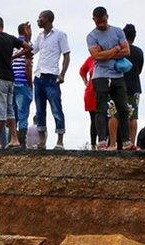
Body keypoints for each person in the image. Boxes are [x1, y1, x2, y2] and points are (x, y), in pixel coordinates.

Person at [86, 6, 130, 150]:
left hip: (117, 75)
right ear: (94, 20)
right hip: (100, 76)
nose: (101, 24)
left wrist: (106, 53)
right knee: (101, 109)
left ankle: (125, 140)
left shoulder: (118, 31)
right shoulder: (91, 36)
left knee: (123, 108)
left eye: (103, 21)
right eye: (98, 22)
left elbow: (127, 51)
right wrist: (116, 49)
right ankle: (102, 140)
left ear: (107, 17)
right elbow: (96, 56)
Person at [0, 16, 30, 149]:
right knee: (10, 109)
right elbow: (28, 48)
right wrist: (13, 57)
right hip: (11, 78)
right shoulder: (10, 38)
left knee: (0, 109)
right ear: (2, 25)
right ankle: (15, 139)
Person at [33, 10, 71, 150]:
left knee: (56, 109)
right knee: (40, 110)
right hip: (39, 76)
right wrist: (25, 37)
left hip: (51, 77)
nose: (38, 20)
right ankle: (42, 141)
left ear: (48, 19)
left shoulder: (60, 35)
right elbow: (32, 50)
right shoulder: (40, 36)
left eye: (40, 18)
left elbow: (66, 55)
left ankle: (60, 141)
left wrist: (62, 74)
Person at [122, 24, 144, 149]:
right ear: (134, 37)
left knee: (115, 114)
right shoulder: (139, 51)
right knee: (133, 115)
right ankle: (132, 143)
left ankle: (114, 142)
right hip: (134, 85)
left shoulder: (120, 49)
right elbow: (139, 70)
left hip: (119, 84)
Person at [12, 23, 33, 147]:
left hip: (13, 82)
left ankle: (13, 140)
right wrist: (30, 83)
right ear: (25, 30)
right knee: (23, 113)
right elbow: (28, 65)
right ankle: (22, 143)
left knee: (13, 114)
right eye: (29, 29)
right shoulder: (27, 45)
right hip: (23, 82)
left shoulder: (12, 45)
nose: (31, 32)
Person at [80, 56, 98, 149]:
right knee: (94, 120)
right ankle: (93, 144)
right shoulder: (91, 59)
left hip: (104, 92)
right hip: (91, 92)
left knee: (106, 118)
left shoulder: (108, 57)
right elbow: (82, 70)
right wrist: (85, 82)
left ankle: (105, 142)